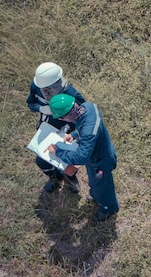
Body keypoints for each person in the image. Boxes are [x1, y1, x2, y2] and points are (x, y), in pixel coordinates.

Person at [47, 93, 119, 222]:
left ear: (67, 115)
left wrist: (58, 152)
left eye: (62, 118)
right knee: (95, 183)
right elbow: (84, 126)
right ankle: (97, 196)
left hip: (100, 162)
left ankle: (108, 209)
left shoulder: (88, 132)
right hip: (100, 154)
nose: (62, 120)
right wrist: (74, 134)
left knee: (103, 188)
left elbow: (81, 157)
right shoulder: (88, 107)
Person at [27, 62, 85, 194]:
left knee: (66, 159)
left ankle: (71, 178)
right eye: (44, 89)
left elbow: (83, 114)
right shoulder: (36, 87)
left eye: (50, 88)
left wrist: (75, 133)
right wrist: (42, 108)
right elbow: (30, 103)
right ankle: (55, 178)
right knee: (41, 159)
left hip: (67, 132)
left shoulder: (71, 93)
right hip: (46, 128)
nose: (46, 92)